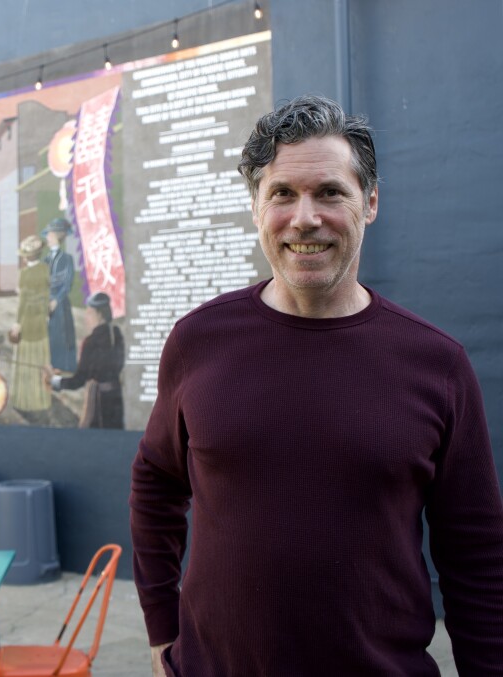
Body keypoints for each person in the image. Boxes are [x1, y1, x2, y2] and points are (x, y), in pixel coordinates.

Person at [130, 95, 503, 676]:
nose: (305, 217)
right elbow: (156, 481)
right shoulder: (198, 341)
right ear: (256, 207)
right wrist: (162, 631)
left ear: (370, 202)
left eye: (330, 192)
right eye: (282, 193)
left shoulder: (437, 365)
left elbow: (476, 553)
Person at [47, 291, 124, 428]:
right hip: (115, 401)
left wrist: (54, 380)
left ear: (99, 315)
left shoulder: (90, 342)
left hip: (98, 406)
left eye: (89, 313)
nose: (86, 317)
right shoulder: (116, 334)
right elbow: (114, 366)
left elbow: (79, 380)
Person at [10, 234, 51, 412]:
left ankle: (25, 401)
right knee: (40, 359)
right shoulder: (45, 269)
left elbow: (23, 303)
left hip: (27, 322)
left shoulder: (24, 274)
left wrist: (18, 324)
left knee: (26, 360)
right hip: (41, 321)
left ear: (27, 256)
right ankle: (42, 399)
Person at [43, 217, 78, 373]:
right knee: (49, 335)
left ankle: (63, 366)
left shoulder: (67, 259)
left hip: (61, 304)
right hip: (46, 303)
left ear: (57, 236)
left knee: (62, 334)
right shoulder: (45, 260)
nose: (47, 238)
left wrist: (56, 300)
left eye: (49, 235)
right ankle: (50, 365)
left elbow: (67, 283)